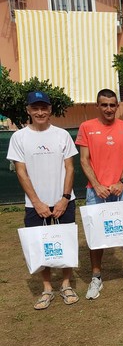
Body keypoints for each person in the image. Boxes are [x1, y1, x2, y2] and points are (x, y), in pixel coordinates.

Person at [7, 91, 79, 309]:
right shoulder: (18, 137)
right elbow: (21, 172)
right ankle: (47, 288)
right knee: (40, 245)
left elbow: (69, 168)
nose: (40, 112)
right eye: (35, 108)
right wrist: (37, 202)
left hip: (63, 201)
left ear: (50, 110)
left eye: (44, 108)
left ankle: (66, 284)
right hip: (34, 204)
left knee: (65, 242)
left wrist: (64, 198)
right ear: (28, 110)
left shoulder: (62, 135)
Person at [76, 88, 123, 299]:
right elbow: (84, 160)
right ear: (97, 106)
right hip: (97, 192)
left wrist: (121, 182)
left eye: (112, 105)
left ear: (117, 106)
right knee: (96, 235)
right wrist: (96, 185)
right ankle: (96, 277)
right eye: (104, 105)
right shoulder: (86, 127)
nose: (109, 109)